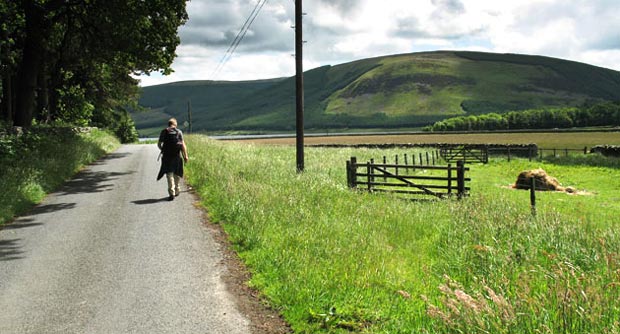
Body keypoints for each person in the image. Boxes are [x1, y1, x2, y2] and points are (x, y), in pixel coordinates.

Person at [157, 118, 189, 201]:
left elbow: (159, 144)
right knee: (177, 173)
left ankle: (172, 192)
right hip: (177, 156)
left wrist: (162, 150)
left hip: (167, 156)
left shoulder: (164, 131)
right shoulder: (179, 132)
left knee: (169, 174)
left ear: (168, 124)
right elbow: (182, 145)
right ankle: (177, 189)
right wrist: (185, 156)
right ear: (175, 124)